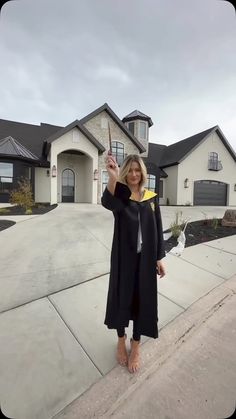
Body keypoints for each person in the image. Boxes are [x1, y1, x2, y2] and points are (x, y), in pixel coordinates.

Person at [101, 153, 166, 373]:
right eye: (130, 170)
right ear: (125, 172)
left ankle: (136, 345)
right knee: (122, 298)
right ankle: (121, 340)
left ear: (143, 173)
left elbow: (157, 227)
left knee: (142, 301)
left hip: (146, 260)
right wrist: (112, 176)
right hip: (123, 260)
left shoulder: (151, 196)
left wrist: (159, 258)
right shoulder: (120, 195)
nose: (134, 175)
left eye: (138, 170)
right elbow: (107, 203)